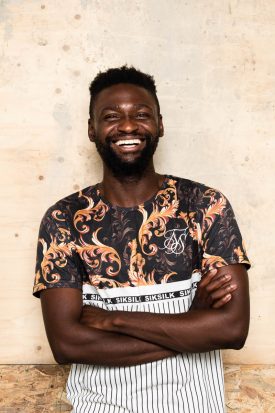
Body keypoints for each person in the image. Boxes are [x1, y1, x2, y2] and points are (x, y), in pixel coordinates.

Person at [33, 66, 250, 413]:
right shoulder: (63, 220)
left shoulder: (205, 207)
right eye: (111, 116)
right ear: (92, 129)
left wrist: (112, 319)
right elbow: (67, 344)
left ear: (160, 124)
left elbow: (233, 329)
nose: (129, 126)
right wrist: (192, 324)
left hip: (195, 406)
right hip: (99, 406)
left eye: (141, 114)